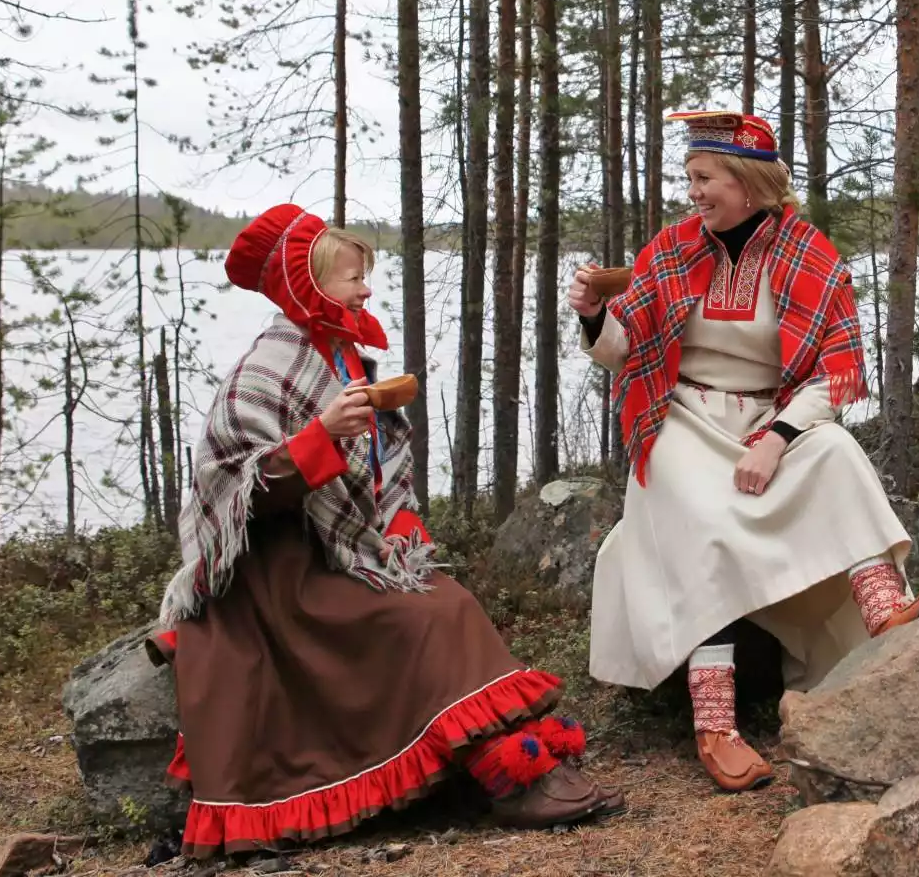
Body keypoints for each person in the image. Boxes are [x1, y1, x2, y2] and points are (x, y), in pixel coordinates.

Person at [147, 204, 620, 859]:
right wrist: (317, 441)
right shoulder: (265, 371)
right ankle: (514, 781)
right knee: (430, 618)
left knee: (443, 601)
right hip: (283, 579)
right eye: (351, 280)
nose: (366, 291)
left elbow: (380, 476)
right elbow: (234, 490)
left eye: (363, 278)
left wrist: (397, 522)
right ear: (308, 288)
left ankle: (522, 767)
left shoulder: (345, 360)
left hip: (349, 553)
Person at [570, 111, 919, 793]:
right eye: (689, 178)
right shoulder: (672, 249)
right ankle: (715, 726)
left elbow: (836, 374)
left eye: (704, 178)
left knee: (835, 452)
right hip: (679, 419)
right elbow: (625, 350)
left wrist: (778, 439)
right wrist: (594, 316)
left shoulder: (808, 254)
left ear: (747, 184)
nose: (692, 192)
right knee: (699, 522)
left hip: (769, 418)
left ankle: (884, 614)